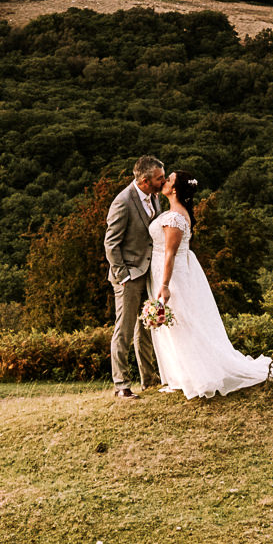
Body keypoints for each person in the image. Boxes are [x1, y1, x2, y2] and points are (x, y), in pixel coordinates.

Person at [148, 169, 273, 399]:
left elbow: (170, 254)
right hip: (174, 271)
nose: (164, 182)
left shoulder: (174, 218)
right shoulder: (179, 213)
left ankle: (194, 374)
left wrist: (164, 285)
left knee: (181, 322)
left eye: (169, 179)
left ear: (174, 188)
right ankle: (182, 374)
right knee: (181, 321)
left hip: (171, 274)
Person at [103, 154, 166, 401]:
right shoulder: (123, 202)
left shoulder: (154, 196)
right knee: (125, 330)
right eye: (159, 178)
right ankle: (121, 385)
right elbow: (111, 243)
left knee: (146, 328)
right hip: (128, 275)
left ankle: (149, 380)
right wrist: (123, 275)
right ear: (144, 181)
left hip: (148, 272)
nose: (163, 181)